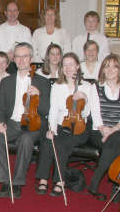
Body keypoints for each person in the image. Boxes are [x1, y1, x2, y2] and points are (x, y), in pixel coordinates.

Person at [0, 43, 51, 199]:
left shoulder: (42, 82)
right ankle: (4, 180)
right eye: (18, 56)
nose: (22, 60)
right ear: (14, 59)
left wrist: (39, 95)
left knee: (26, 139)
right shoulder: (6, 82)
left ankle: (17, 182)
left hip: (33, 125)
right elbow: (1, 107)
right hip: (12, 123)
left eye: (25, 56)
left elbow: (47, 110)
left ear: (31, 58)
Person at [35, 53, 101, 196]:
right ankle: (43, 178)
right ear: (61, 68)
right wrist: (51, 129)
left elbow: (88, 113)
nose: (68, 68)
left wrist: (85, 99)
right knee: (48, 141)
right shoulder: (58, 86)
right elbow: (53, 110)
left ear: (78, 66)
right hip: (60, 124)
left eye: (71, 64)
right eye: (65, 65)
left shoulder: (88, 86)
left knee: (62, 144)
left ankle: (60, 181)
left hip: (79, 128)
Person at [86, 54, 120, 201]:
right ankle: (115, 186)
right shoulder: (96, 87)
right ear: (103, 69)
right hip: (98, 132)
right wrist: (103, 129)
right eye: (107, 66)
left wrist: (112, 130)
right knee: (117, 144)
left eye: (115, 66)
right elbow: (95, 113)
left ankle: (95, 182)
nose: (110, 70)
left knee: (115, 140)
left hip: (117, 131)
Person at [0, 2, 32, 74]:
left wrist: (16, 55)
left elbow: (30, 49)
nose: (12, 13)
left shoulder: (25, 30)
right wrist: (5, 56)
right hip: (2, 66)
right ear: (5, 13)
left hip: (21, 65)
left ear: (18, 12)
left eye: (15, 10)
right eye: (10, 11)